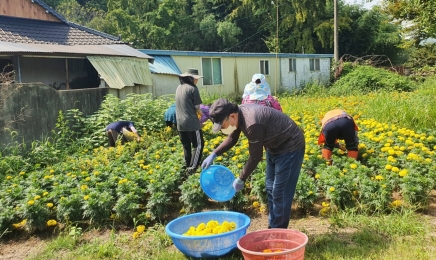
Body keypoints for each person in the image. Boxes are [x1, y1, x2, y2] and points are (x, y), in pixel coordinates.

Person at [201, 98, 305, 229]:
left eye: (222, 125)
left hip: (290, 147)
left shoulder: (252, 123)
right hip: (275, 146)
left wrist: (241, 178)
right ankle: (274, 226)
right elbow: (233, 138)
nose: (223, 128)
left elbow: (255, 157)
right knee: (270, 188)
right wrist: (214, 153)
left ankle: (278, 233)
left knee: (280, 192)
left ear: (231, 116)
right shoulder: (238, 114)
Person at [175, 68, 205, 175]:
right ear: (189, 78)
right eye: (195, 79)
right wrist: (205, 115)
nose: (197, 81)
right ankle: (192, 169)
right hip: (191, 122)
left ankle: (186, 167)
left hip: (180, 123)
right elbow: (197, 107)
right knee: (199, 145)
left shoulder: (179, 87)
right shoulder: (193, 88)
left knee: (186, 146)